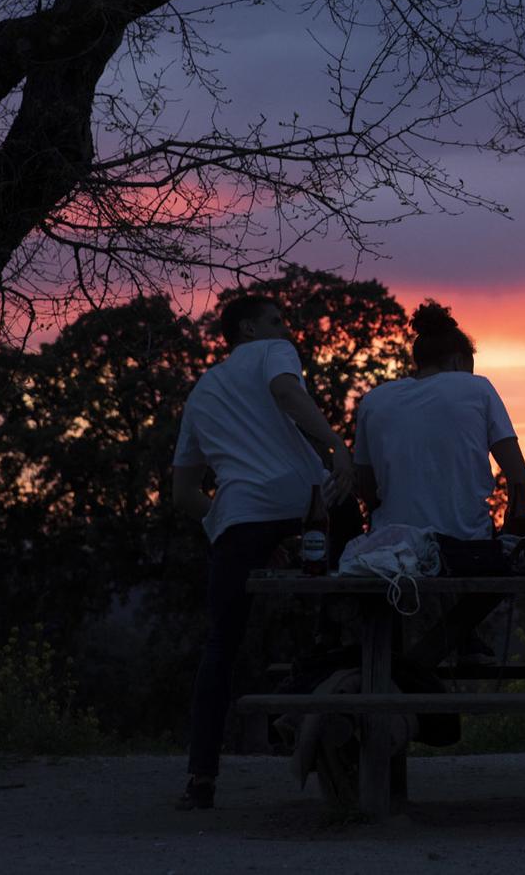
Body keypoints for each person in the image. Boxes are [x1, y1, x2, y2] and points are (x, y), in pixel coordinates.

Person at [171, 293, 355, 812]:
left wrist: (232, 526)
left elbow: (183, 494)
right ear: (248, 330)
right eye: (276, 321)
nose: (285, 328)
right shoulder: (274, 353)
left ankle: (200, 779)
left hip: (239, 518)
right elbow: (285, 392)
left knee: (220, 647)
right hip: (305, 501)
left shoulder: (202, 392)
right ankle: (333, 659)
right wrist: (336, 444)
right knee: (358, 555)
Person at [354, 300, 525, 662]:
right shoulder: (477, 389)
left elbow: (365, 488)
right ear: (457, 361)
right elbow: (521, 481)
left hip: (393, 548)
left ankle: (420, 659)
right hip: (464, 546)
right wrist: (512, 533)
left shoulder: (374, 400)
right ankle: (431, 656)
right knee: (506, 566)